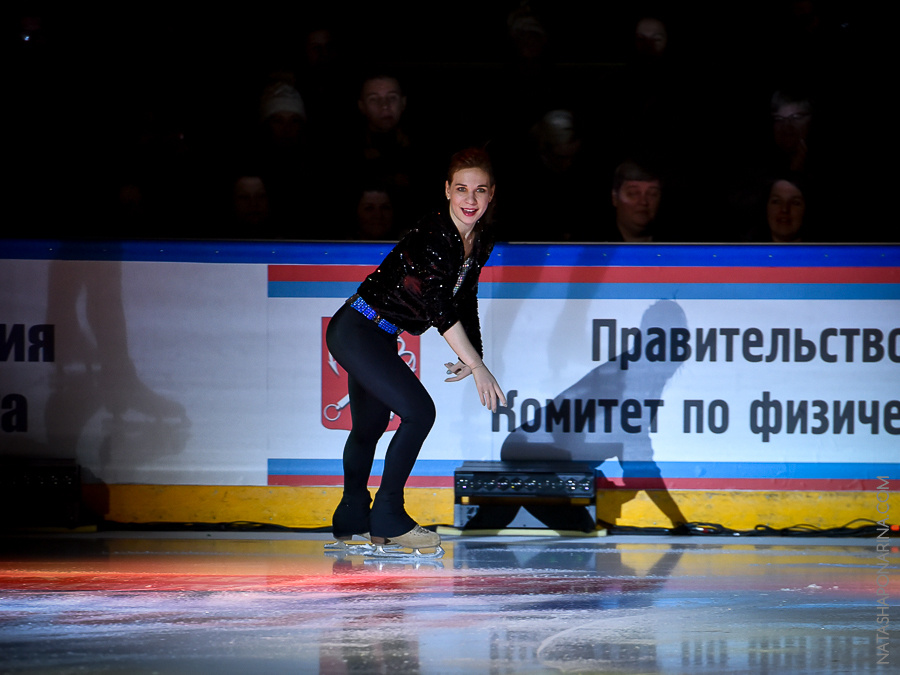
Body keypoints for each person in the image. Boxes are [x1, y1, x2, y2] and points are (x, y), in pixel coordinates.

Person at [325, 148, 507, 555]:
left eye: (479, 190)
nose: (470, 199)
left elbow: (464, 298)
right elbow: (437, 306)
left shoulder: (481, 239)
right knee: (419, 412)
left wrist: (471, 353)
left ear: (492, 194)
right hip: (355, 328)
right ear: (446, 190)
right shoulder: (433, 235)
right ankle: (388, 514)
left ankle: (352, 513)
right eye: (461, 189)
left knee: (370, 427)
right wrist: (478, 367)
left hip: (380, 335)